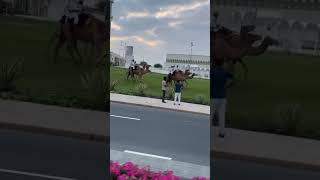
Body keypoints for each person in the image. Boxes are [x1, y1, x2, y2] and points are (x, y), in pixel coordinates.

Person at [211, 58, 234, 138]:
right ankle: (222, 133)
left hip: (213, 96)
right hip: (222, 96)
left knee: (211, 116)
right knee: (222, 116)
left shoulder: (212, 71)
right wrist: (226, 86)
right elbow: (231, 79)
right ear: (222, 63)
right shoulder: (224, 72)